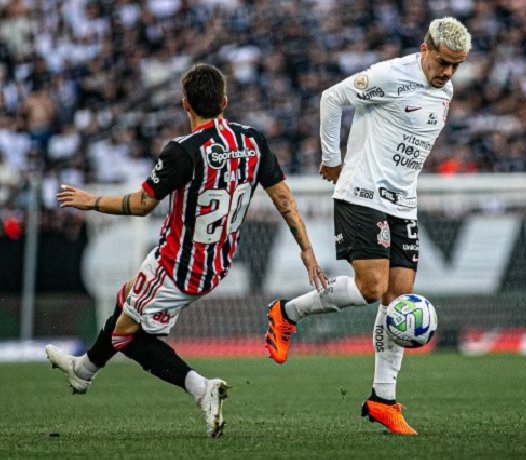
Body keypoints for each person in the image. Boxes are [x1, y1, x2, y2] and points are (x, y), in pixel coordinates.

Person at [46, 63, 328, 438]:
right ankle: (84, 371)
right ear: (224, 102)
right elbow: (284, 199)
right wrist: (306, 249)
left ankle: (200, 388)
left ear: (184, 105)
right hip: (216, 264)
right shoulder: (253, 141)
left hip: (176, 265)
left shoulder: (182, 151)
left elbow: (143, 203)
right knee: (126, 296)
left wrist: (91, 201)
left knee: (125, 335)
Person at [264, 18, 471, 436]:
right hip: (361, 191)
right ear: (425, 49)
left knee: (397, 299)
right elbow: (332, 97)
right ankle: (286, 313)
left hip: (403, 204)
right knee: (373, 288)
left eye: (456, 66)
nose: (447, 73)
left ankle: (383, 400)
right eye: (443, 63)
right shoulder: (392, 76)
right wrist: (331, 157)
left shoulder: (444, 90)